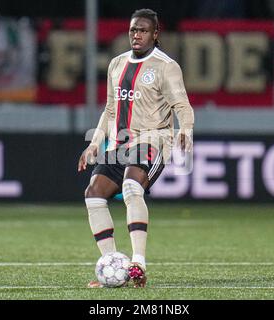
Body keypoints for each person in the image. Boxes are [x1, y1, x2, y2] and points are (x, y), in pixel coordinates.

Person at [78, 8, 194, 288]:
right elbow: (109, 108)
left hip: (153, 140)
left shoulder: (166, 66)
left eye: (143, 30)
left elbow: (183, 106)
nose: (137, 35)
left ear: (156, 34)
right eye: (133, 30)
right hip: (119, 144)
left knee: (131, 187)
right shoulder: (116, 64)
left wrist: (186, 130)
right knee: (93, 194)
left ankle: (137, 265)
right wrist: (94, 143)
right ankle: (111, 266)